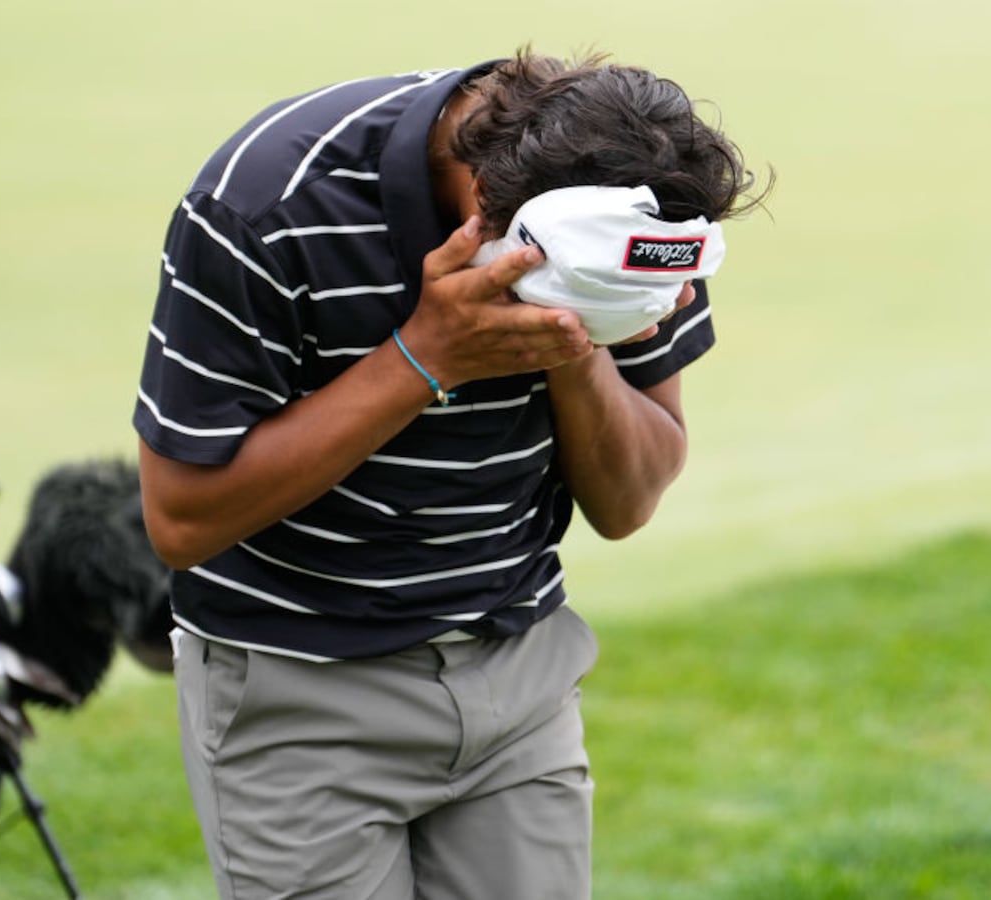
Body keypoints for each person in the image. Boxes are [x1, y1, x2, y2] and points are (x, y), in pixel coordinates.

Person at [134, 49, 762, 899]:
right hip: (297, 690)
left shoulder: (637, 222)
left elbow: (627, 502)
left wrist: (570, 345)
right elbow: (181, 521)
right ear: (485, 204)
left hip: (519, 674)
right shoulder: (265, 202)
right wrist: (423, 357)